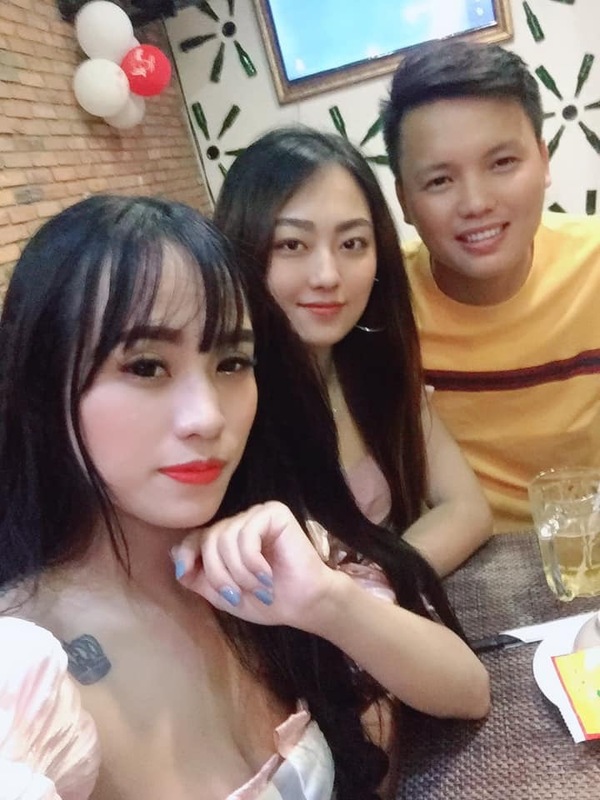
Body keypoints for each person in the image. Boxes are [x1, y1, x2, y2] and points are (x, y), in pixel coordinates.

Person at [0, 196, 489, 800]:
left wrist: (327, 601)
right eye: (147, 367)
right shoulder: (27, 674)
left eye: (232, 362)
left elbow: (468, 691)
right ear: (43, 384)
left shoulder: (264, 553)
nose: (208, 417)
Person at [214, 127, 492, 578]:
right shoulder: (217, 401)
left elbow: (467, 509)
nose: (327, 275)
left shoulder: (374, 372)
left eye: (352, 244)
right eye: (291, 245)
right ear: (242, 246)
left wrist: (376, 586)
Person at [381, 38, 600, 532]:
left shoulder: (594, 265)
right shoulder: (381, 302)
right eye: (439, 181)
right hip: (454, 558)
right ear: (405, 200)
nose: (476, 203)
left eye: (502, 163)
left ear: (543, 160)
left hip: (584, 549)